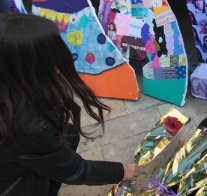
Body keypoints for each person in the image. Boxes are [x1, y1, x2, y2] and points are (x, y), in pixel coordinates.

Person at [0, 14, 139, 195]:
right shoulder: (32, 127)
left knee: (69, 134)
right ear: (32, 69)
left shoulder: (11, 91)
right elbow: (75, 170)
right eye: (54, 55)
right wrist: (120, 172)